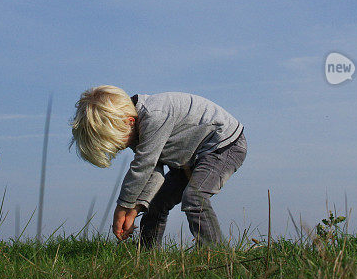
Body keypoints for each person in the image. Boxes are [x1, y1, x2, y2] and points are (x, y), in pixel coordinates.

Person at [70, 85, 247, 248]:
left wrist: (123, 206)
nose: (119, 148)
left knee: (194, 197)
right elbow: (154, 171)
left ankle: (215, 253)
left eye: (117, 143)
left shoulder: (154, 115)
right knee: (155, 203)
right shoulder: (132, 128)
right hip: (188, 158)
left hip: (223, 146)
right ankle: (147, 255)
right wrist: (135, 209)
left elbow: (144, 165)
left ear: (129, 121)